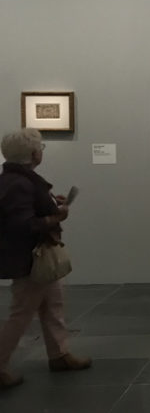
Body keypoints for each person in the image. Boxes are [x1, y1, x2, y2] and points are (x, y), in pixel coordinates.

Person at [0, 128, 91, 389]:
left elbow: (25, 213)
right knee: (21, 314)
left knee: (53, 305)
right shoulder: (19, 183)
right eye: (40, 147)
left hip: (37, 258)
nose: (41, 151)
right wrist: (56, 216)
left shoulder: (18, 180)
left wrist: (51, 204)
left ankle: (59, 354)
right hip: (31, 259)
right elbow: (23, 224)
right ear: (32, 153)